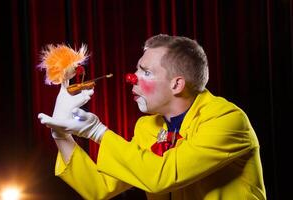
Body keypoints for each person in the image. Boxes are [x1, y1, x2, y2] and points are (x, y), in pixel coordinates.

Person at [38, 34, 266, 200]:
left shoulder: (227, 120)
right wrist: (61, 134)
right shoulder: (148, 127)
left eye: (145, 72)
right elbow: (99, 187)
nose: (132, 78)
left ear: (177, 84)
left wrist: (97, 132)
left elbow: (161, 177)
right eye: (137, 69)